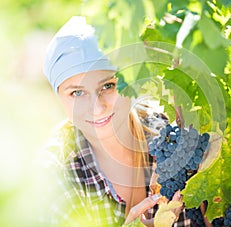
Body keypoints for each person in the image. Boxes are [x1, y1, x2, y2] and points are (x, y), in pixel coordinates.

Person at [40, 16, 190, 226]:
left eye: (108, 86)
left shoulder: (170, 136)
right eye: (77, 93)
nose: (97, 107)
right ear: (59, 98)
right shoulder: (55, 178)